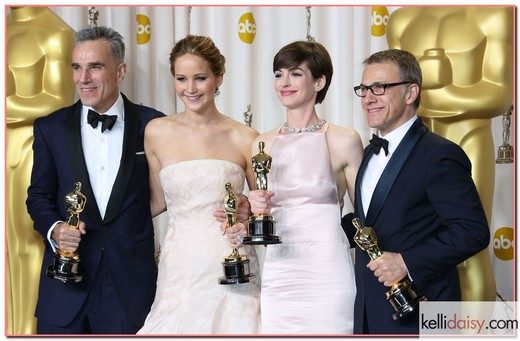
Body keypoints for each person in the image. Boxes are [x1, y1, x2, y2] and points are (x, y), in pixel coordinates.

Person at [26, 26, 164, 334]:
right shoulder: (51, 127)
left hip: (130, 289)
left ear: (120, 71)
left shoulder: (154, 124)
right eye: (77, 67)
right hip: (64, 285)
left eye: (95, 67)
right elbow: (38, 196)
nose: (83, 79)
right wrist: (56, 228)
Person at [347, 48, 490, 334]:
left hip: (423, 310)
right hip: (370, 311)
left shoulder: (440, 154)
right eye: (363, 89)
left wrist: (405, 262)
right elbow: (377, 225)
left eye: (380, 87)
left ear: (411, 93)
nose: (368, 98)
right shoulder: (367, 154)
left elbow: (472, 231)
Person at [236, 40, 363, 334]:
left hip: (329, 271)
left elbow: (365, 217)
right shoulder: (261, 144)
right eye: (278, 74)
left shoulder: (344, 140)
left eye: (295, 74)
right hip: (281, 272)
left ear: (319, 81)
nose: (284, 83)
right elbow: (262, 219)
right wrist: (254, 210)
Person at [386, 7, 513, 301]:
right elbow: (393, 92)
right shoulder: (402, 20)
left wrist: (428, 91)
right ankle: (435, 327)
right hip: (414, 144)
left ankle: (474, 334)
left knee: (469, 249)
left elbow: (498, 93)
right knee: (418, 249)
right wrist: (434, 91)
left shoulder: (492, 14)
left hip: (469, 139)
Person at [137, 35, 261, 334]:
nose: (189, 89)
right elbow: (155, 202)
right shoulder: (156, 131)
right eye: (181, 78)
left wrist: (247, 216)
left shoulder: (245, 136)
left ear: (218, 78)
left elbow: (263, 211)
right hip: (180, 263)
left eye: (200, 78)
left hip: (232, 260)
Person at [7, 7, 76, 334]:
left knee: (29, 244)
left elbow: (58, 99)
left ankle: (27, 332)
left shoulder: (56, 32)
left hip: (28, 151)